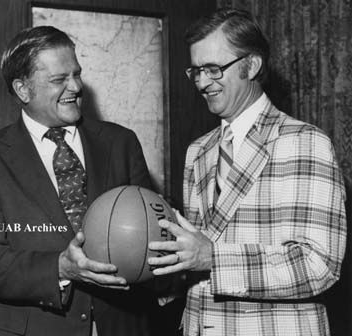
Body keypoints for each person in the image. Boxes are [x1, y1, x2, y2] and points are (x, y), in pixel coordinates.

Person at [148, 8, 347, 336]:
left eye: (213, 69)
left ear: (251, 65)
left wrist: (212, 258)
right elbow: (195, 255)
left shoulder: (306, 142)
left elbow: (318, 265)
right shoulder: (198, 150)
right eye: (195, 71)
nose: (201, 83)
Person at [0, 26, 160, 336]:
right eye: (58, 79)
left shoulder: (121, 142)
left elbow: (151, 234)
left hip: (122, 324)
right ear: (23, 90)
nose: (76, 86)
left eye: (76, 74)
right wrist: (60, 268)